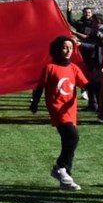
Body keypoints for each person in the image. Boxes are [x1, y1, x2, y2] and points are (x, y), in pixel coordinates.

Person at [29, 35, 89, 191]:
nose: (68, 50)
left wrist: (100, 85)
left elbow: (86, 85)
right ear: (57, 49)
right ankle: (61, 167)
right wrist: (34, 103)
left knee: (68, 142)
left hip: (71, 111)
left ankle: (65, 177)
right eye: (64, 47)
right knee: (73, 137)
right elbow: (40, 87)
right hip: (57, 109)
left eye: (70, 48)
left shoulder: (74, 68)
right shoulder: (50, 68)